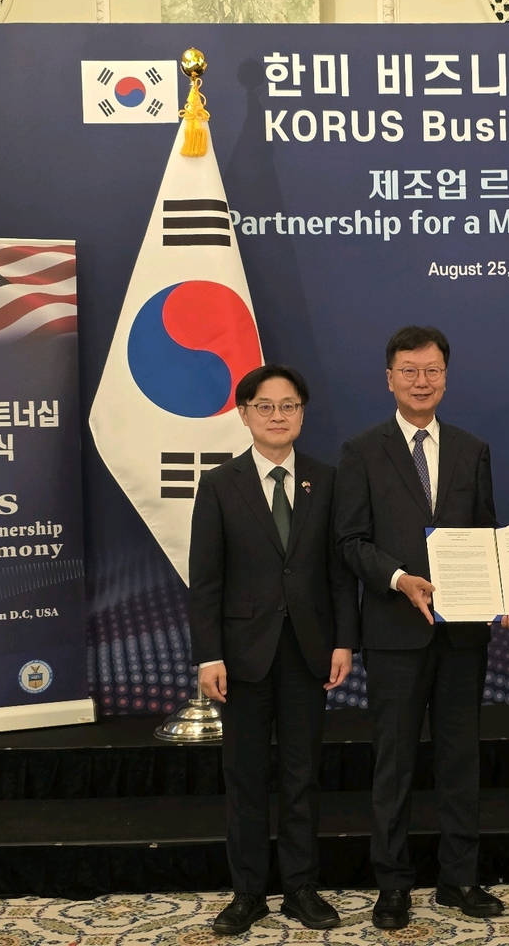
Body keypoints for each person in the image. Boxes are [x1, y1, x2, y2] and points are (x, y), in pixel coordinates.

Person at [335, 326, 509, 930]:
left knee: (461, 759)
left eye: (432, 370)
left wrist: (501, 592)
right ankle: (393, 885)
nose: (421, 381)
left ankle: (460, 879)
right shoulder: (361, 451)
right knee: (395, 763)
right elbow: (350, 541)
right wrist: (399, 577)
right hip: (394, 634)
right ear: (389, 378)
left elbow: (486, 535)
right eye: (409, 371)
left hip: (462, 634)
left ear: (446, 376)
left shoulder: (471, 448)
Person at [190, 364, 359, 936]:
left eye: (289, 405)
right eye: (265, 406)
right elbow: (206, 579)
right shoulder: (219, 485)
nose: (278, 415)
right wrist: (208, 654)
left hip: (310, 651)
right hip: (240, 657)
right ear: (244, 414)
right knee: (244, 775)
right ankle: (247, 894)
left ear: (303, 414)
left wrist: (343, 640)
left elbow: (340, 573)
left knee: (301, 774)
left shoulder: (327, 479)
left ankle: (301, 890)